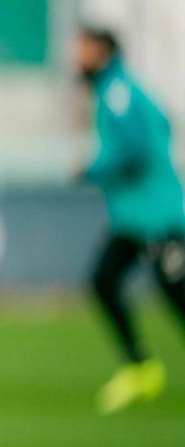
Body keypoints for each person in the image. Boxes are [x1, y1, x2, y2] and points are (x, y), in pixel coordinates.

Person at [72, 25, 185, 414]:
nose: (76, 56)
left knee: (177, 295)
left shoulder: (117, 91)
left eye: (82, 48)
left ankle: (140, 368)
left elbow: (133, 148)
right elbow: (165, 124)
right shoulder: (116, 89)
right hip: (133, 219)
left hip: (158, 217)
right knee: (103, 282)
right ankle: (139, 367)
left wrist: (91, 168)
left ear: (101, 50)